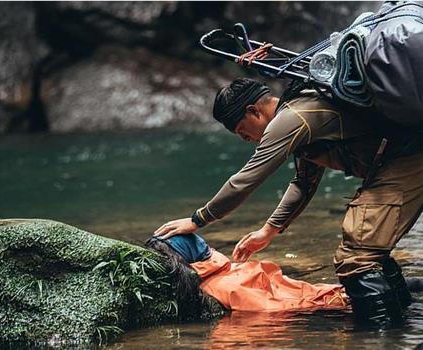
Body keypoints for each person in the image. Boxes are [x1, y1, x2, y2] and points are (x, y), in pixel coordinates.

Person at [154, 78, 422, 325]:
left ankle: (382, 336)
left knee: (357, 257)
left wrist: (198, 219)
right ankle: (405, 318)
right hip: (401, 159)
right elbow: (304, 183)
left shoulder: (291, 119)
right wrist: (268, 231)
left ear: (254, 112)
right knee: (368, 250)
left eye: (241, 131)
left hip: (407, 160)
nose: (246, 139)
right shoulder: (303, 113)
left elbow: (245, 180)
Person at [146, 234, 349, 312]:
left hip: (331, 298)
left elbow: (276, 306)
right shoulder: (228, 278)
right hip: (332, 297)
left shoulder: (220, 282)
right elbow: (278, 305)